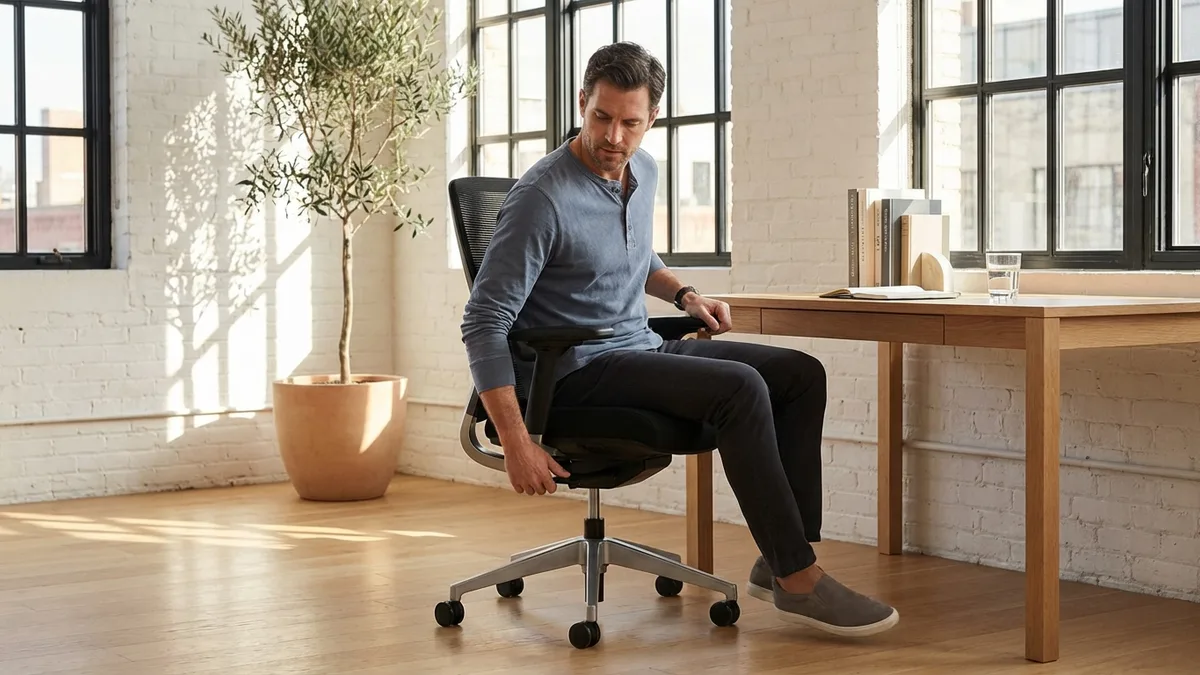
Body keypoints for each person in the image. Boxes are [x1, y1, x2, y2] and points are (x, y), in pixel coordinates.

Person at [460, 41, 898, 637]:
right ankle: (801, 581)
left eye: (630, 122)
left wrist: (685, 295)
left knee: (799, 374)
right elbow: (483, 319)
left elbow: (633, 255)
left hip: (635, 349)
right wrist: (513, 439)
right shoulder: (542, 198)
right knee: (739, 388)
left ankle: (779, 558)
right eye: (602, 117)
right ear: (583, 102)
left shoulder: (643, 170)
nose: (614, 136)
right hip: (571, 375)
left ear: (652, 119)